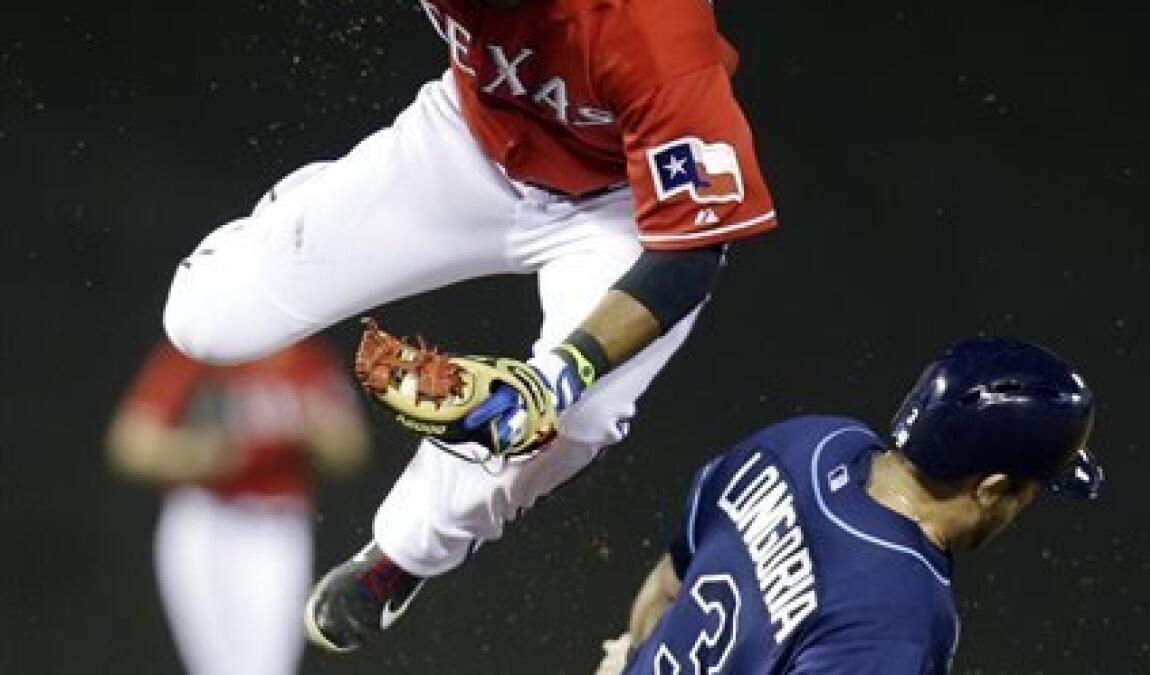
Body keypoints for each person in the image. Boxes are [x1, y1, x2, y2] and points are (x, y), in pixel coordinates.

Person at [160, 0, 778, 653]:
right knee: (204, 320)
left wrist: (561, 374)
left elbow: (688, 251)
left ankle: (405, 551)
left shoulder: (651, 28)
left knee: (574, 416)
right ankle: (309, 208)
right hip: (467, 141)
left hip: (615, 203)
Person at [595, 337, 1104, 674]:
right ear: (992, 487)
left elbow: (667, 586)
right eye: (1034, 488)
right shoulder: (900, 617)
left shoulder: (805, 442)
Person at [107, 338, 369, 675]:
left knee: (268, 663)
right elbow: (130, 445)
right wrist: (197, 455)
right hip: (203, 516)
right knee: (213, 663)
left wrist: (318, 427)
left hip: (275, 525)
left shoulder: (307, 360)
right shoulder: (203, 350)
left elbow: (350, 450)